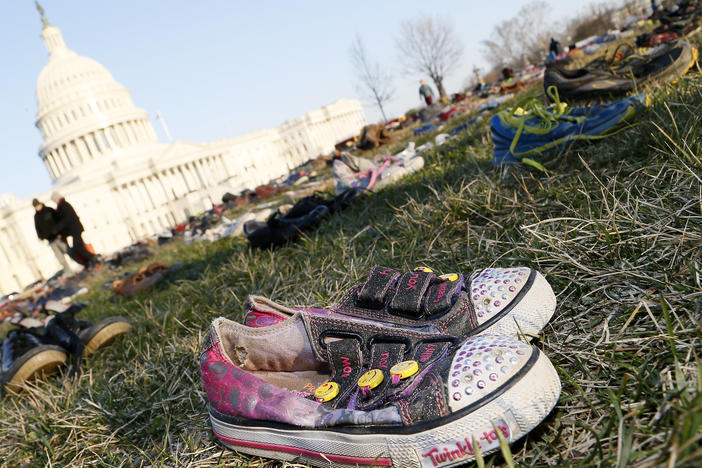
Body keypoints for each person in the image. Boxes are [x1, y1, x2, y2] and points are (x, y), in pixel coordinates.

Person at [51, 192, 97, 267]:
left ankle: (93, 258)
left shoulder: (63, 205)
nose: (54, 202)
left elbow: (67, 219)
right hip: (74, 230)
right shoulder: (62, 205)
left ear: (57, 199)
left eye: (54, 200)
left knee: (78, 247)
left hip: (75, 229)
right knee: (78, 247)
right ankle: (89, 262)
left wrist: (58, 228)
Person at [33, 198, 74, 275]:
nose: (37, 208)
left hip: (58, 237)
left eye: (37, 206)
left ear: (40, 204)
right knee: (60, 258)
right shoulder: (36, 217)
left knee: (69, 251)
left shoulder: (49, 210)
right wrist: (41, 237)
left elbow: (59, 220)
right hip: (50, 240)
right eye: (35, 207)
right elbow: (37, 228)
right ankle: (70, 273)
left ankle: (83, 262)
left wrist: (60, 232)